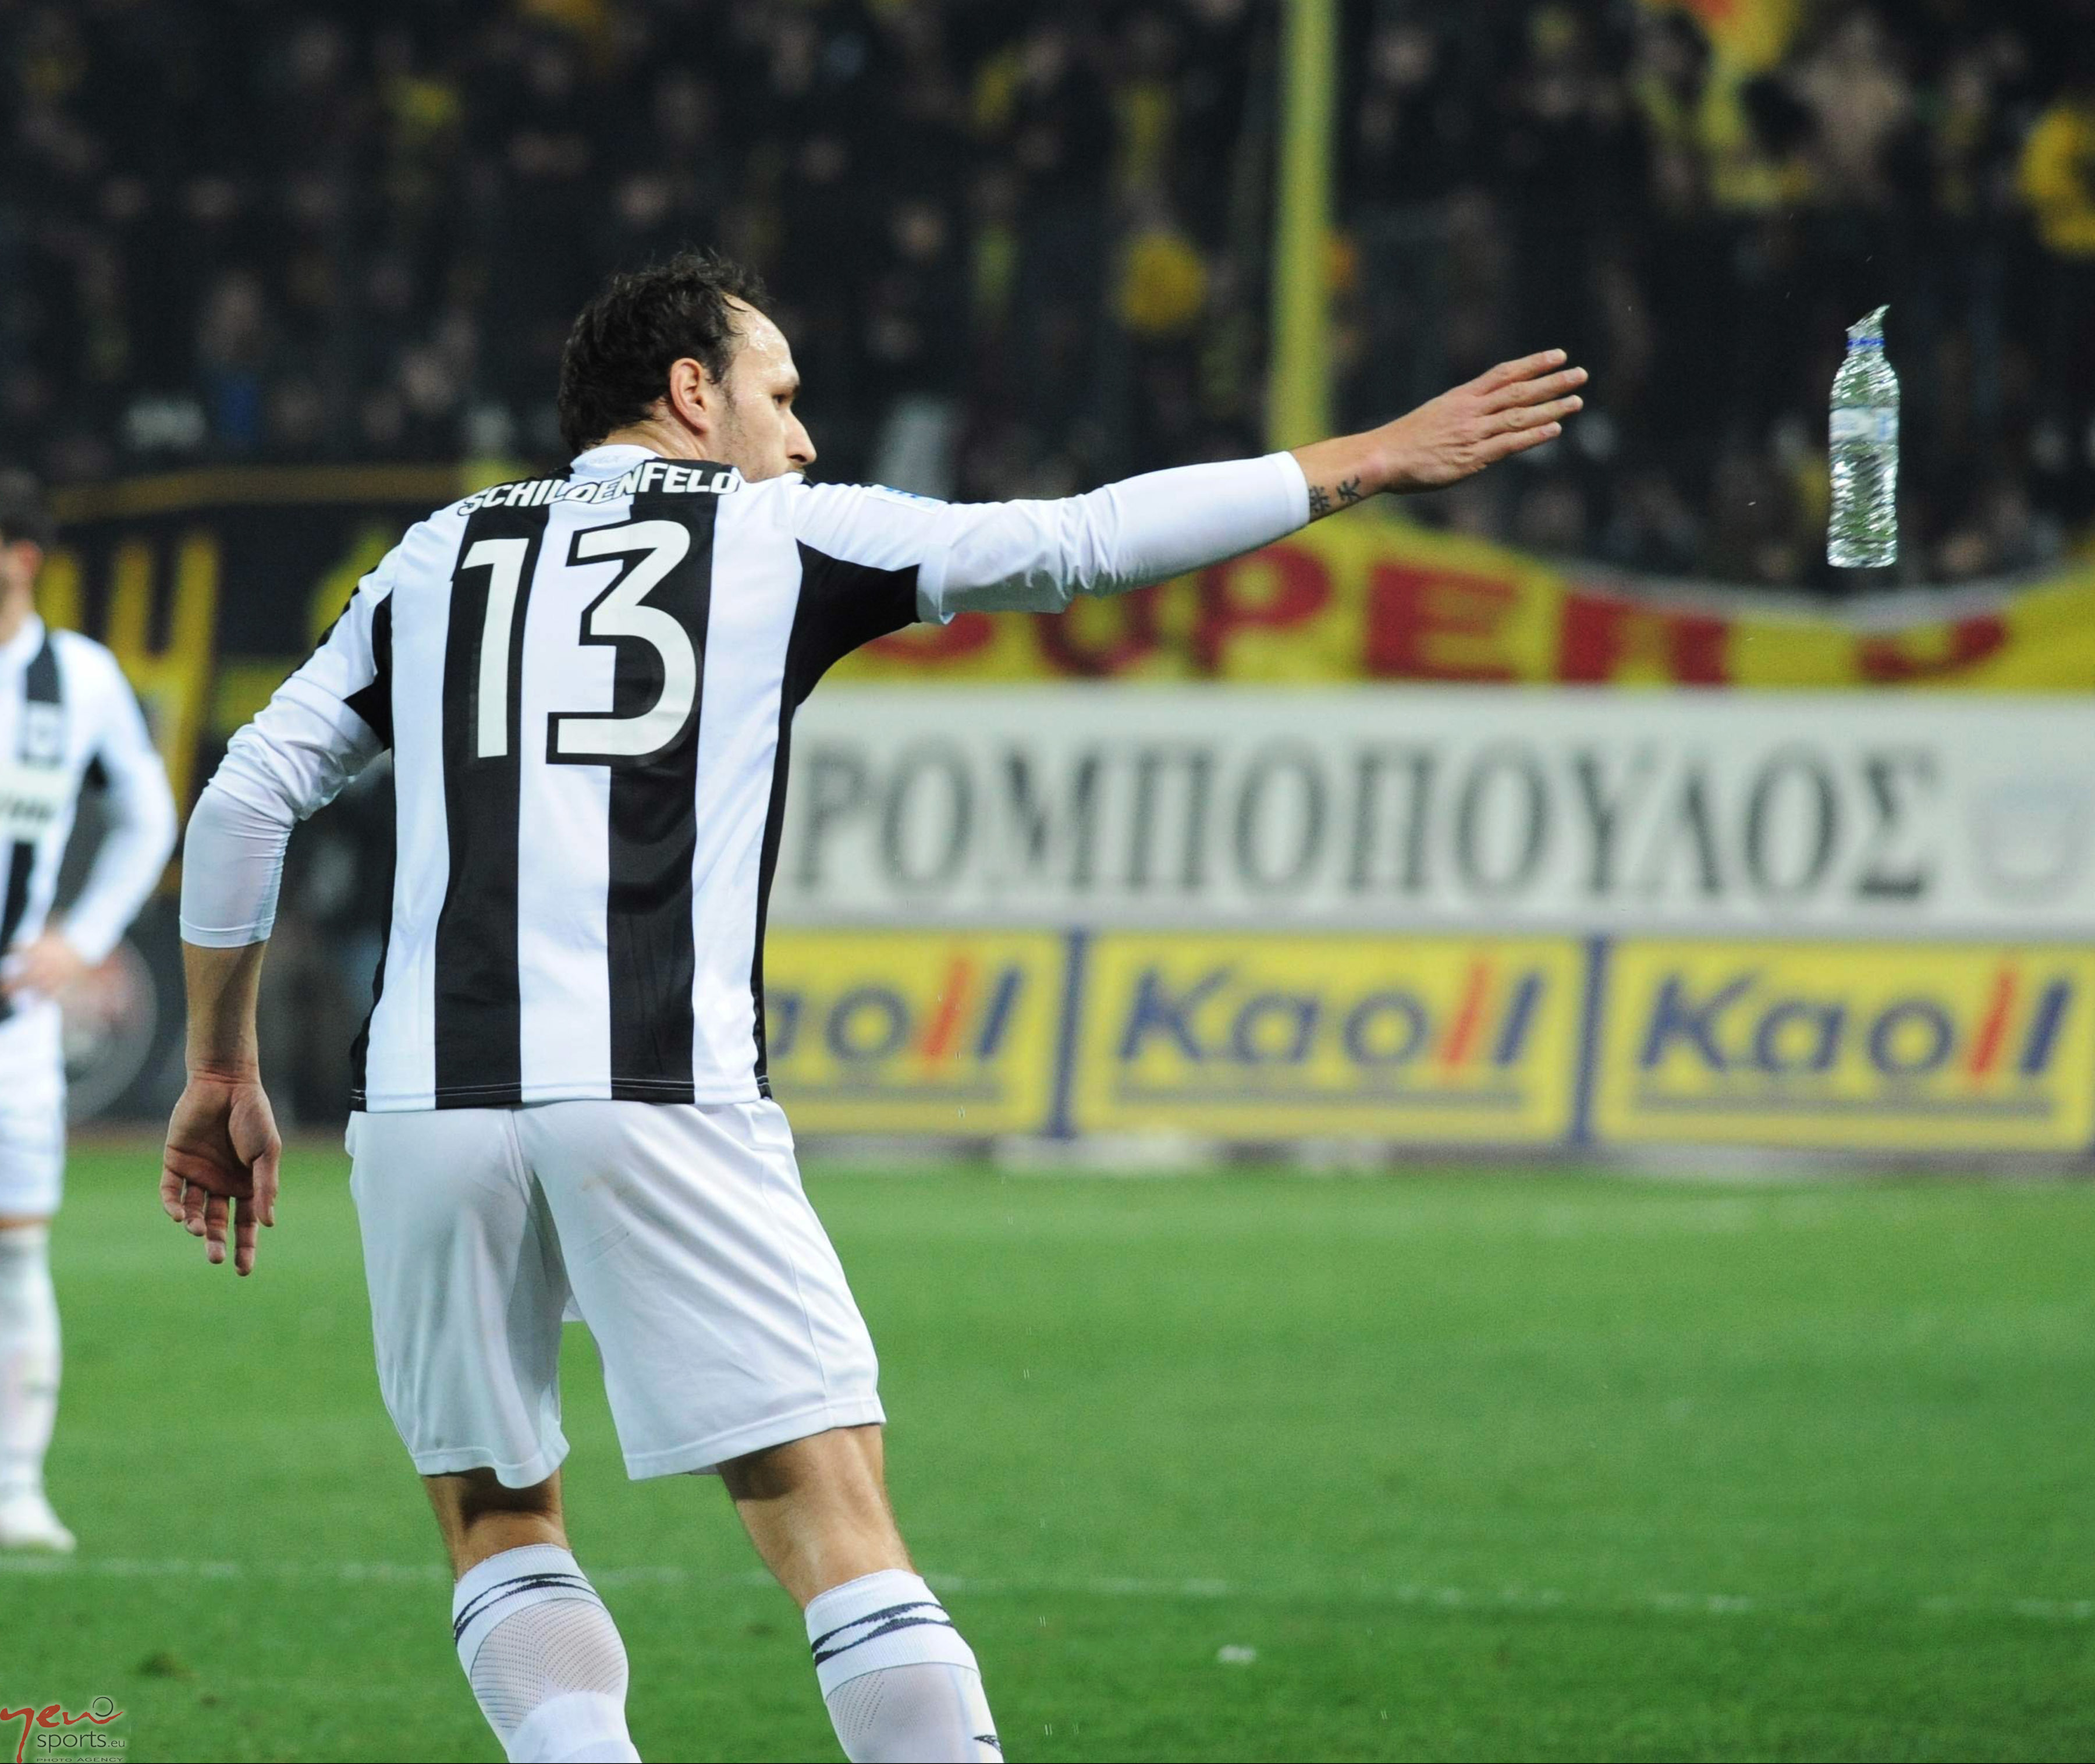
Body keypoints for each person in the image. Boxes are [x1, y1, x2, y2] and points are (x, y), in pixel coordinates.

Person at [161, 250, 1583, 1763]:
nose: (803, 435)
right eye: (779, 394)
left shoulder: (438, 555)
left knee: (497, 1515)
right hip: (658, 1088)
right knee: (829, 1516)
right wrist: (1363, 460)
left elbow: (246, 798)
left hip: (423, 1106)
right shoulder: (779, 534)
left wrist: (220, 1067)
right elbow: (1078, 542)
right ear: (691, 392)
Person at [0, 470, 177, 1552]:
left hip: (13, 1028)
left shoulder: (77, 679)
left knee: (18, 1252)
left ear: (22, 557)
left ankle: (16, 1488)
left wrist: (84, 935)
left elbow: (149, 815)